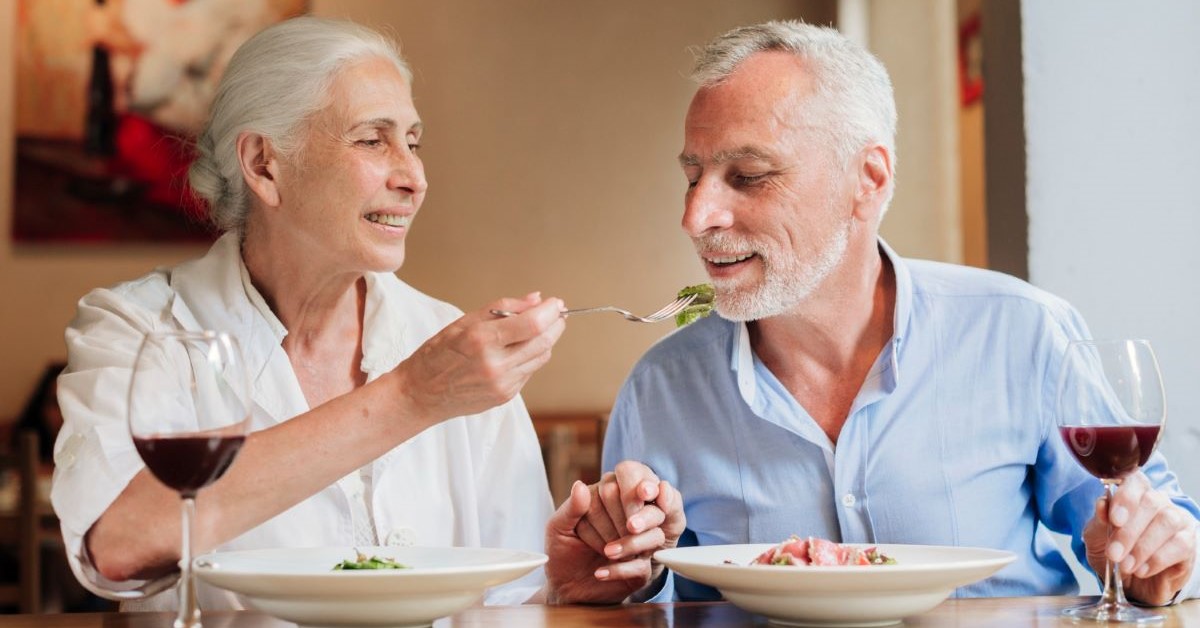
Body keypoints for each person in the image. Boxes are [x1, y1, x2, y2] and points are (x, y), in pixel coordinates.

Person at [588, 20, 1200, 605]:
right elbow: (649, 594)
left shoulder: (1024, 333)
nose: (696, 219)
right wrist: (622, 580)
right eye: (693, 178)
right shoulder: (659, 390)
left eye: (747, 176)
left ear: (868, 179)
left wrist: (1158, 562)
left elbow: (1164, 539)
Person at [50, 16, 633, 611]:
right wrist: (413, 396)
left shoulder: (453, 345)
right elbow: (115, 547)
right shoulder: (139, 329)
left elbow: (512, 599)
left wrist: (564, 591)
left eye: (413, 141)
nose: (414, 178)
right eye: (372, 139)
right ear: (264, 165)